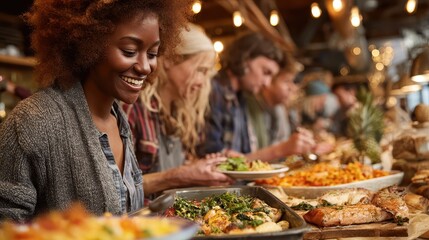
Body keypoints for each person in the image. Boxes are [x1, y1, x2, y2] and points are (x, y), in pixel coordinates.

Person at [0, 0, 192, 222]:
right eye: (129, 51)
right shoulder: (32, 122)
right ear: (87, 45)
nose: (145, 67)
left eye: (152, 54)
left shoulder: (119, 121)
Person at [123, 23, 233, 197]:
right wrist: (179, 176)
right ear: (169, 60)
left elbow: (184, 168)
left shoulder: (181, 112)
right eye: (201, 71)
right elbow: (117, 189)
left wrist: (205, 167)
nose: (204, 83)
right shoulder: (133, 108)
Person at [198, 32, 317, 162]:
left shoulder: (240, 96)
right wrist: (281, 149)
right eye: (266, 72)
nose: (267, 83)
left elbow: (245, 155)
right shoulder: (213, 90)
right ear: (244, 60)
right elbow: (211, 159)